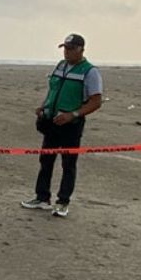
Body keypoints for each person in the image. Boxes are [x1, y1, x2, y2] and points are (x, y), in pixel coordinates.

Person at [21, 33, 103, 217]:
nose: (66, 52)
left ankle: (63, 202)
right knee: (46, 160)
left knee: (68, 163)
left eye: (71, 49)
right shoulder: (60, 66)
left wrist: (72, 115)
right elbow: (53, 90)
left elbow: (96, 102)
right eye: (65, 48)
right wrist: (44, 107)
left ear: (81, 50)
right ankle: (42, 198)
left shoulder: (90, 72)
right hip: (51, 122)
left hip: (71, 125)